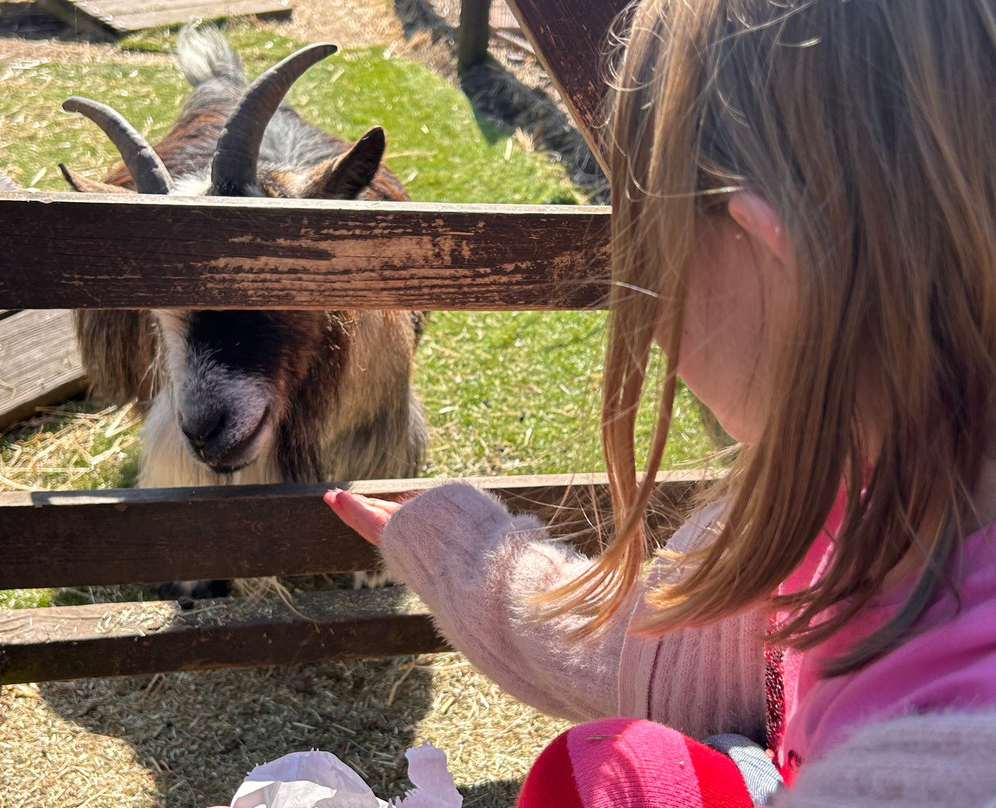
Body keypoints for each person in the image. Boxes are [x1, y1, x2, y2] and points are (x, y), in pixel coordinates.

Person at [325, 0, 996, 804]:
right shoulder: (861, 480)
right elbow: (669, 660)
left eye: (652, 253)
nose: (646, 322)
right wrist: (465, 552)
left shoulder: (936, 774)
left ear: (765, 253)